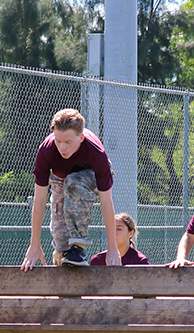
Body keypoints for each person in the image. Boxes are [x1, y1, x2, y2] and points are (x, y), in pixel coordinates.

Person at [21, 109, 120, 269]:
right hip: (60, 177)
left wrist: (112, 248)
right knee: (62, 246)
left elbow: (106, 203)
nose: (62, 148)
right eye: (58, 141)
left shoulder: (95, 152)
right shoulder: (46, 151)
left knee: (73, 182)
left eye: (68, 143)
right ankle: (66, 261)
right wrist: (34, 244)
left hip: (90, 176)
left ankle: (78, 247)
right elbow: (39, 201)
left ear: (81, 138)